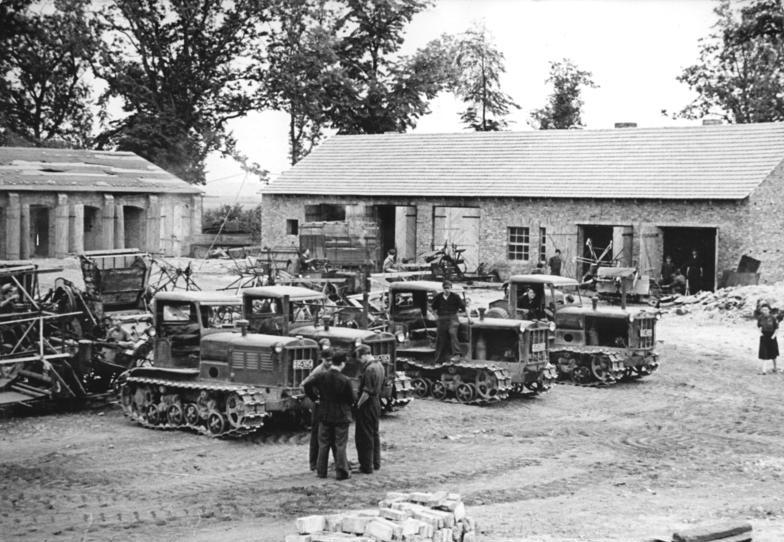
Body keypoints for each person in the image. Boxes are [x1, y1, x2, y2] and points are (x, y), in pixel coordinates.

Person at [303, 350, 355, 480]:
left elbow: (306, 384)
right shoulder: (345, 380)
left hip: (324, 415)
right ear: (342, 363)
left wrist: (315, 398)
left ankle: (321, 471)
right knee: (340, 444)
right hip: (341, 416)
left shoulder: (321, 376)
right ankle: (342, 472)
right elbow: (351, 399)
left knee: (323, 443)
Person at [301, 339, 334, 472]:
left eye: (332, 360)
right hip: (319, 406)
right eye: (327, 360)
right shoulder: (318, 371)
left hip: (329, 405)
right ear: (322, 359)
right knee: (316, 435)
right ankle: (314, 464)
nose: (330, 362)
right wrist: (315, 399)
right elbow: (305, 384)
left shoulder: (331, 369)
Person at [354, 344, 384, 474]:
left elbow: (366, 393)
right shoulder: (380, 366)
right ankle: (375, 462)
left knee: (365, 436)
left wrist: (358, 405)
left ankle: (366, 466)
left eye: (360, 358)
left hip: (367, 405)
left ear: (365, 355)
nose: (360, 361)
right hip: (376, 403)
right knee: (374, 434)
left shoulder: (369, 369)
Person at [431, 280, 466, 363]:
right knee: (440, 337)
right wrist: (436, 316)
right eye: (445, 288)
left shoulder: (456, 297)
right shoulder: (438, 297)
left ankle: (457, 354)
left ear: (451, 288)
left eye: (448, 288)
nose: (447, 290)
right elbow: (433, 308)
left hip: (452, 317)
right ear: (443, 289)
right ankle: (438, 358)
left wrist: (468, 317)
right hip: (442, 318)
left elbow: (464, 307)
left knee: (452, 332)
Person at [757, 302, 779, 375]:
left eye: (766, 309)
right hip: (764, 336)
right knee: (764, 353)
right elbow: (759, 326)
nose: (764, 311)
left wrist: (773, 336)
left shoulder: (773, 317)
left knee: (773, 353)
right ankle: (764, 370)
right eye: (763, 309)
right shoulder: (760, 317)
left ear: (769, 310)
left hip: (772, 336)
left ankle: (775, 368)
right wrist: (760, 333)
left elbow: (777, 328)